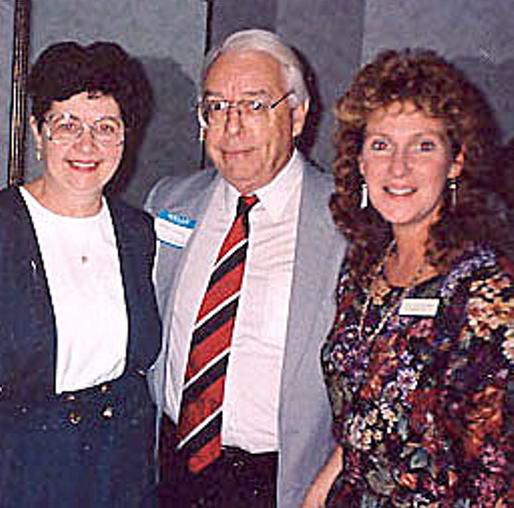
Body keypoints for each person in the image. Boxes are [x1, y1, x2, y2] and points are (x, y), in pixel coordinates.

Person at [145, 29, 347, 507]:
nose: (232, 127)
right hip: (173, 465)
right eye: (216, 106)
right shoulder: (169, 202)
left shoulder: (347, 223)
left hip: (280, 482)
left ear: (297, 115)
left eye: (255, 106)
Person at [304, 48, 514, 506]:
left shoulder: (487, 297)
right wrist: (317, 493)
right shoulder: (363, 268)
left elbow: (496, 481)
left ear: (456, 161)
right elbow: (361, 417)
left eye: (423, 145)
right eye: (381, 144)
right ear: (359, 160)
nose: (398, 168)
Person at [0, 41, 161, 507]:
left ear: (125, 136)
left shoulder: (138, 232)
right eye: (67, 124)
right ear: (37, 131)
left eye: (105, 127)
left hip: (122, 468)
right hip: (22, 469)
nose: (86, 145)